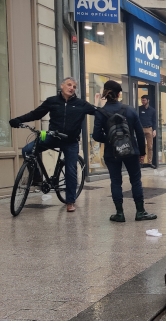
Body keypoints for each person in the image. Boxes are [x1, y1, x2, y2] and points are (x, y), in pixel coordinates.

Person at [10, 76, 96, 212]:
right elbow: (36, 114)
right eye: (69, 85)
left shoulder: (81, 104)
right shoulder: (52, 101)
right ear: (62, 86)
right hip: (52, 137)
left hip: (70, 142)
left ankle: (70, 201)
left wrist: (115, 114)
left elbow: (98, 113)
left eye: (74, 87)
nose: (71, 88)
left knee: (70, 170)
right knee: (27, 150)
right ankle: (37, 176)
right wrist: (18, 120)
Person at [91, 80, 157, 222]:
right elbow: (140, 133)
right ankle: (140, 212)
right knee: (135, 181)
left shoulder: (100, 112)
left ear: (105, 93)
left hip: (111, 153)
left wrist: (110, 140)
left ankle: (119, 213)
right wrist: (142, 152)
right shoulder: (130, 110)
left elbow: (96, 135)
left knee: (115, 181)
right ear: (119, 94)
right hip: (131, 151)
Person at [138, 95, 157, 168]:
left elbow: (154, 121)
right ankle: (141, 162)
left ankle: (149, 162)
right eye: (142, 100)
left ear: (148, 100)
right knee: (141, 146)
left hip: (149, 128)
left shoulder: (152, 110)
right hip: (141, 128)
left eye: (144, 100)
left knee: (150, 146)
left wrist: (154, 130)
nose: (143, 102)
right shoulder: (139, 109)